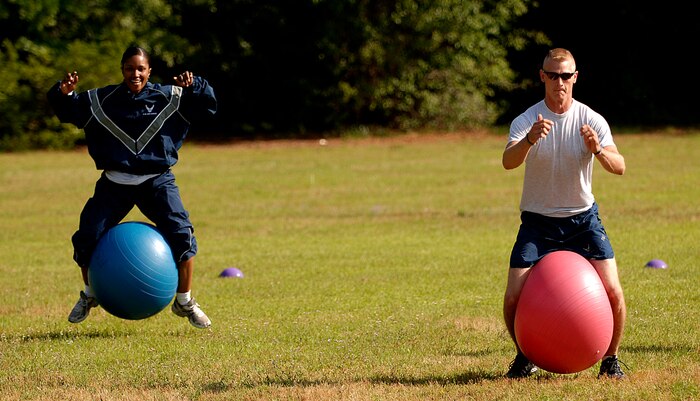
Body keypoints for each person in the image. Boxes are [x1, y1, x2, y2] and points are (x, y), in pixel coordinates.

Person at [47, 46, 217, 329]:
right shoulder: (103, 100)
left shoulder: (169, 97)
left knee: (183, 235)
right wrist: (62, 92)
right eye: (129, 68)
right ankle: (89, 295)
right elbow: (68, 111)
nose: (135, 73)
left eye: (141, 68)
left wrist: (195, 86)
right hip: (115, 183)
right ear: (122, 70)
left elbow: (208, 107)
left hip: (157, 181)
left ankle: (184, 301)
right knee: (87, 234)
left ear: (149, 71)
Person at [501, 48, 627, 379]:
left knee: (612, 290)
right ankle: (524, 355)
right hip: (537, 223)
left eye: (566, 75)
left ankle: (610, 360)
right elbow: (508, 161)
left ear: (575, 77)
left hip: (582, 221)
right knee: (513, 297)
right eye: (554, 75)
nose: (561, 82)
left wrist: (597, 149)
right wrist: (529, 140)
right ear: (542, 76)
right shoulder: (527, 120)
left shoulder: (592, 120)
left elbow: (620, 167)